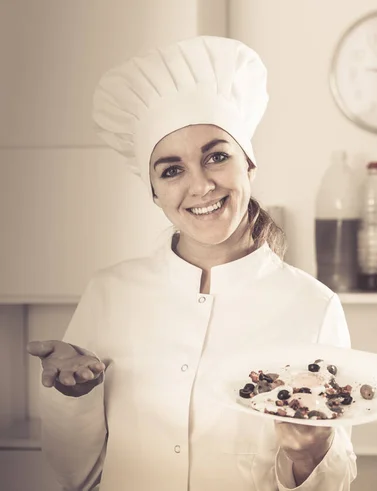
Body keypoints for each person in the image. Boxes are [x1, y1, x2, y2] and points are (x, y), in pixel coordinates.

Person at [26, 35, 358, 491]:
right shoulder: (111, 293)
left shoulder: (312, 305)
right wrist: (74, 398)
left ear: (249, 166)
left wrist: (311, 454)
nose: (200, 186)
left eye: (217, 157)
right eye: (172, 169)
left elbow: (334, 482)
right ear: (155, 192)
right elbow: (73, 472)